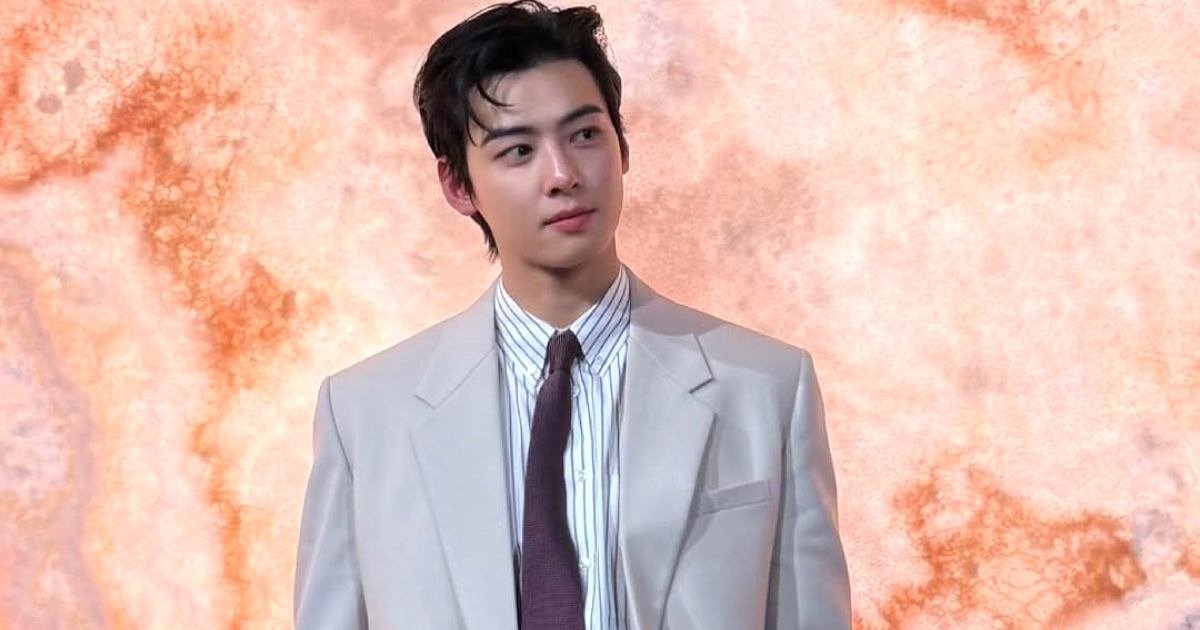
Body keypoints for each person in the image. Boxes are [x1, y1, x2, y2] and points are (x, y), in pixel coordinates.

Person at [292, 2, 851, 628]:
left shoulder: (766, 387)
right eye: (518, 150)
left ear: (622, 146)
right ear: (458, 186)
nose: (563, 174)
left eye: (585, 135)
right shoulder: (365, 414)